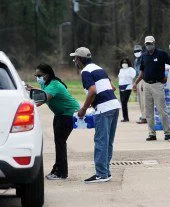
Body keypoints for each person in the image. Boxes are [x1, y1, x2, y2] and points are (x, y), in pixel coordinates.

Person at [70, 47, 121, 183]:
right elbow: (112, 87)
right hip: (114, 106)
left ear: (80, 60)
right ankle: (106, 171)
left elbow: (92, 90)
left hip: (103, 109)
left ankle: (101, 174)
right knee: (108, 141)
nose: (74, 61)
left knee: (100, 141)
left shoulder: (85, 71)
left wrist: (84, 109)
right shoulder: (99, 68)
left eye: (75, 58)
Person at [32, 63, 80, 180]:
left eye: (39, 75)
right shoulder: (47, 84)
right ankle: (57, 169)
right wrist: (31, 89)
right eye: (36, 75)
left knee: (60, 143)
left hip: (67, 114)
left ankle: (61, 173)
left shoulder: (53, 85)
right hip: (60, 115)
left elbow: (40, 100)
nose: (37, 78)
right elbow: (43, 93)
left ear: (47, 75)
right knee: (59, 142)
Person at [133, 36, 170, 141]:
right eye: (147, 44)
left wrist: (168, 77)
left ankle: (167, 133)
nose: (148, 45)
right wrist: (136, 83)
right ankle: (152, 133)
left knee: (161, 110)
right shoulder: (144, 56)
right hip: (146, 84)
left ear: (154, 43)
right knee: (148, 111)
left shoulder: (161, 54)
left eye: (150, 43)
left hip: (157, 85)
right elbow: (141, 71)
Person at [118, 58, 136, 122]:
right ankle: (125, 117)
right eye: (123, 63)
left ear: (128, 63)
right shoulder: (121, 70)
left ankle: (126, 118)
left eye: (125, 62)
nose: (124, 64)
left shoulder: (131, 69)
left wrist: (127, 74)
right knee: (122, 103)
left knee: (124, 102)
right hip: (121, 87)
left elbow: (133, 76)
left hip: (127, 86)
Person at [134, 45, 147, 124]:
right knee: (139, 100)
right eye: (135, 51)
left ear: (141, 51)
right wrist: (134, 83)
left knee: (144, 99)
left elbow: (144, 71)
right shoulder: (136, 60)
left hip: (143, 80)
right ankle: (143, 115)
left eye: (138, 51)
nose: (137, 53)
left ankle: (145, 117)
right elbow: (136, 72)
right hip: (137, 80)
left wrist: (142, 83)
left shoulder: (144, 58)